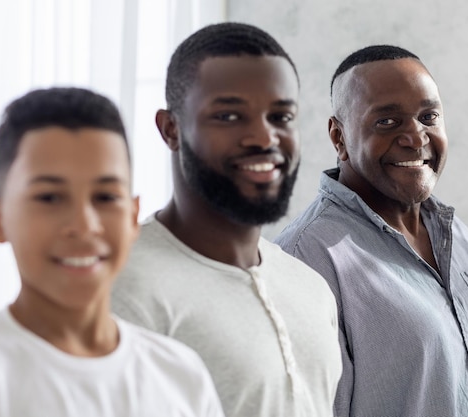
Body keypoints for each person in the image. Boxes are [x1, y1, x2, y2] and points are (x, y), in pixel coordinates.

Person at [0, 87, 224, 417]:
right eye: (50, 198)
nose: (84, 225)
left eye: (105, 197)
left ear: (131, 216)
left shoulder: (180, 377)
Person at [111, 22, 342, 417]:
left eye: (281, 116)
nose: (263, 137)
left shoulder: (311, 288)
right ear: (171, 130)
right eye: (230, 115)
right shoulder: (121, 287)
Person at [274, 45, 468, 416]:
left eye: (428, 116)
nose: (416, 137)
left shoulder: (459, 238)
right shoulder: (306, 259)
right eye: (388, 121)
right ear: (339, 138)